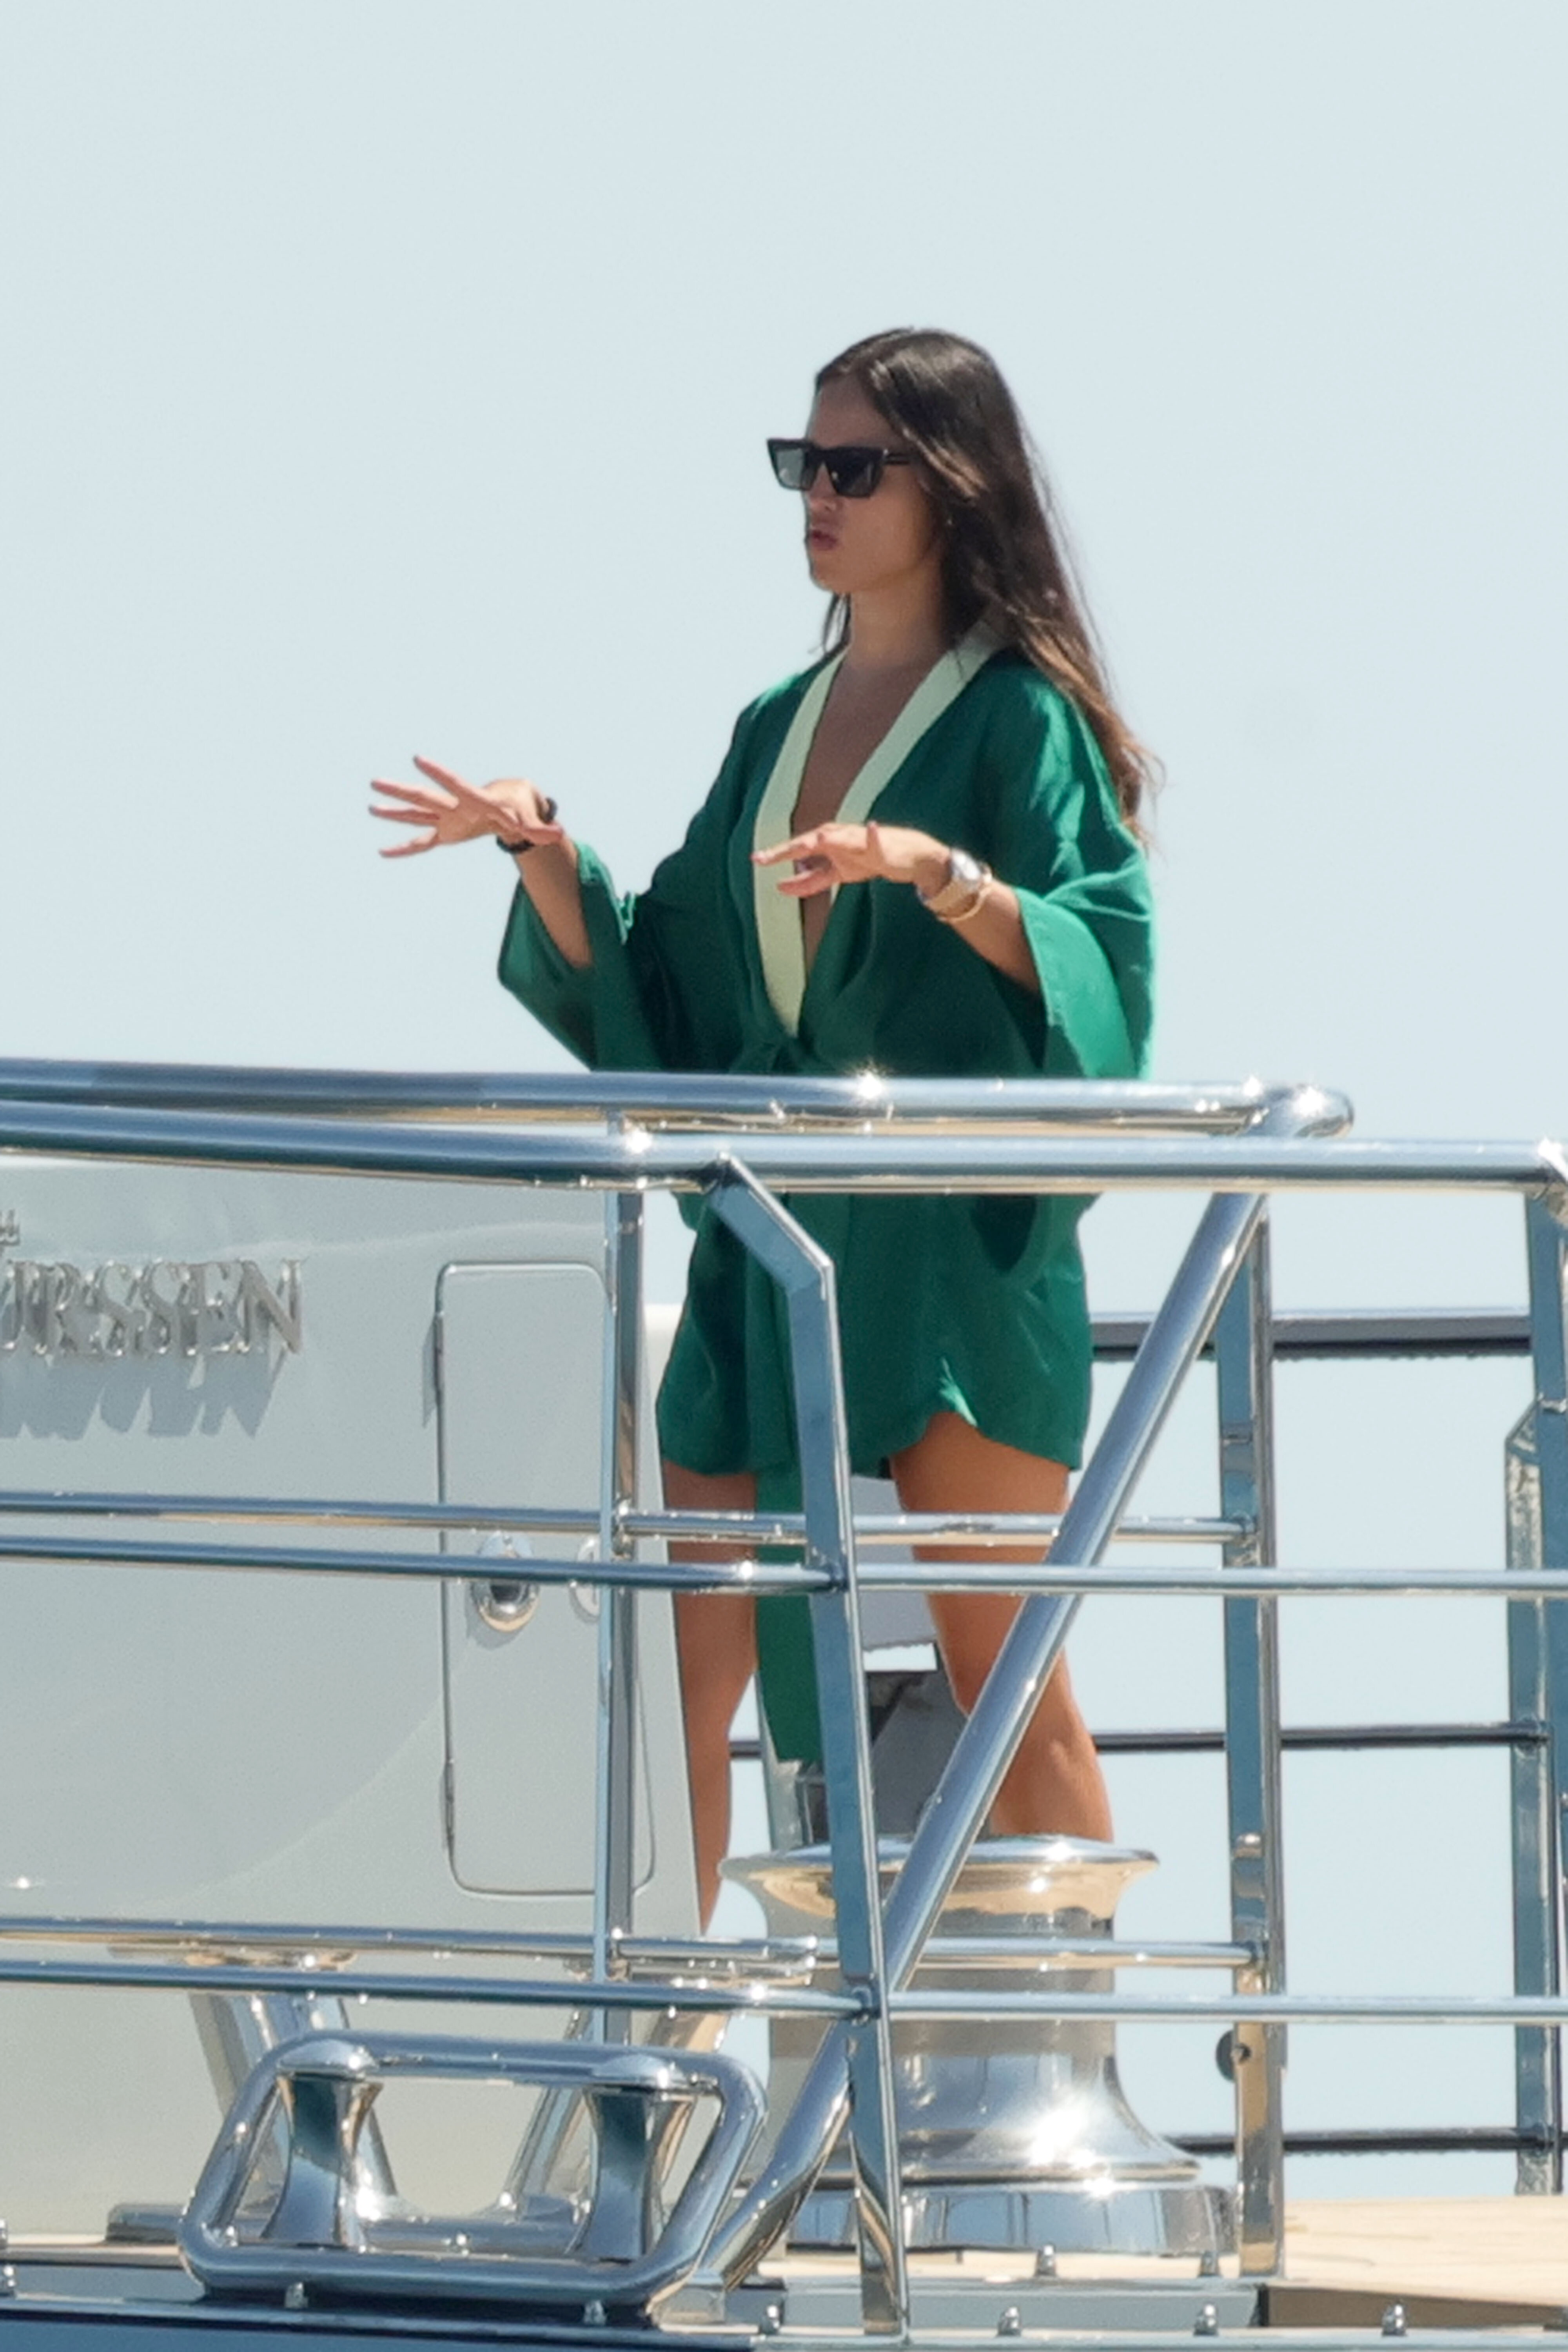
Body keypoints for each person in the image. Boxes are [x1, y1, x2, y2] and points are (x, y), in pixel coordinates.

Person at [372, 328, 1155, 1924]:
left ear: (954, 486)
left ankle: (1085, 2030)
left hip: (948, 1253)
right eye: (802, 463)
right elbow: (668, 979)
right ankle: (660, 2044)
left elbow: (1102, 951)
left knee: (1004, 1675)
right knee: (682, 1667)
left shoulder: (1020, 723)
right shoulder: (774, 726)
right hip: (765, 1244)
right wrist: (541, 852)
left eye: (854, 466)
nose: (819, 495)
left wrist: (937, 877)